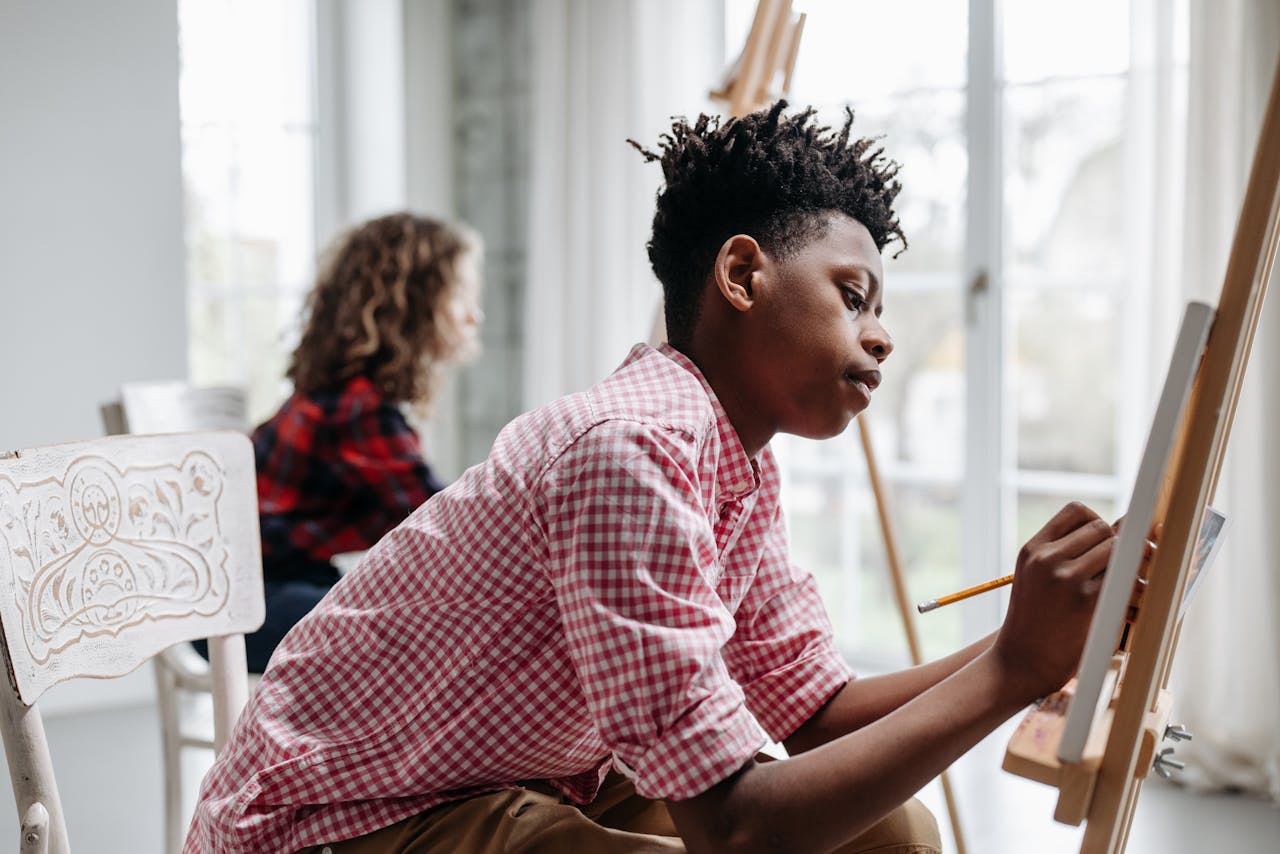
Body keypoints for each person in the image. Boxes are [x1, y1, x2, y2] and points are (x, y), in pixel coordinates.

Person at [186, 103, 1118, 853]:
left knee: (891, 832)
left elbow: (819, 715)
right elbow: (738, 828)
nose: (880, 334)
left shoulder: (738, 469)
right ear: (742, 274)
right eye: (852, 296)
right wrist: (1013, 668)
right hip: (338, 820)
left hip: (525, 773)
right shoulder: (629, 450)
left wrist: (1031, 643)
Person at [226, 212, 483, 673]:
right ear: (413, 306)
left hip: (266, 588)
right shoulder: (357, 408)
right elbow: (443, 522)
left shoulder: (348, 395)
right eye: (461, 294)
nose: (474, 313)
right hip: (247, 610)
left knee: (415, 617)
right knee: (421, 636)